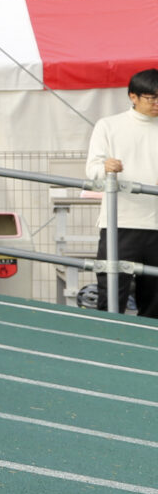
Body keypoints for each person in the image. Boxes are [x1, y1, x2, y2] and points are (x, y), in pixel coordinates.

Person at [87, 68, 158, 313]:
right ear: (133, 97)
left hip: (156, 224)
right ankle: (107, 343)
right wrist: (106, 167)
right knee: (111, 292)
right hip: (120, 223)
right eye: (152, 98)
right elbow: (92, 169)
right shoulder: (109, 126)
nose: (157, 103)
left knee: (154, 299)